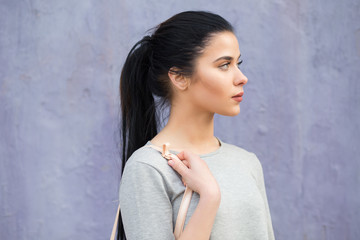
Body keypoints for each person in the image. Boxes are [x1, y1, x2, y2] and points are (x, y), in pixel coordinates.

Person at [117, 11, 275, 240]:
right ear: (179, 77)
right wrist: (209, 198)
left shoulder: (247, 162)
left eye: (237, 63)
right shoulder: (149, 168)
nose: (242, 77)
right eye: (224, 65)